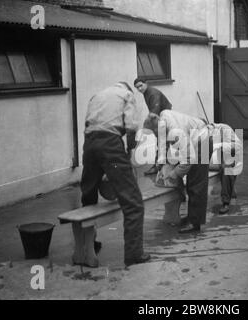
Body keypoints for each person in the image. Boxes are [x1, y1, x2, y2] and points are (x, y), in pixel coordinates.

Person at [81, 82, 150, 267]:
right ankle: (134, 254)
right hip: (110, 144)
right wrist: (128, 151)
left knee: (88, 196)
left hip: (89, 143)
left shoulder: (97, 94)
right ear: (127, 88)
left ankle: (87, 248)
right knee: (134, 203)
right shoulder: (127, 95)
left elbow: (88, 124)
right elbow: (130, 126)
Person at [143, 110, 210, 234]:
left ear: (158, 129)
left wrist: (174, 174)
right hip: (193, 140)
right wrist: (160, 163)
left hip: (202, 141)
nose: (155, 136)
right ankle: (192, 217)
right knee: (190, 182)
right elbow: (162, 145)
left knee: (196, 184)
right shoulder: (162, 120)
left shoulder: (175, 131)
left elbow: (188, 159)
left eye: (154, 133)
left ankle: (195, 224)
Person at [134, 78, 172, 175]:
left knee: (163, 143)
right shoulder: (146, 92)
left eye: (140, 85)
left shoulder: (153, 93)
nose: (139, 88)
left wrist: (145, 125)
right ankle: (161, 166)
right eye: (137, 87)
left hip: (164, 118)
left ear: (146, 84)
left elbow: (153, 114)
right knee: (163, 143)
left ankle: (160, 167)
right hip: (161, 118)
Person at [208, 123, 243, 214]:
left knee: (227, 169)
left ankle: (225, 202)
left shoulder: (225, 129)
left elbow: (237, 146)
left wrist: (219, 145)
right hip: (216, 158)